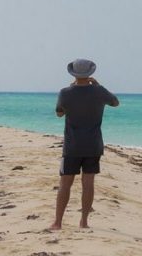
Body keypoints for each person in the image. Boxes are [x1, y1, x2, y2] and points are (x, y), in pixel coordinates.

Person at [49, 58, 119, 230]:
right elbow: (115, 102)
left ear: (73, 74)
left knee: (65, 184)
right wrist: (98, 86)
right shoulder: (99, 91)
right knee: (88, 184)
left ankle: (58, 222)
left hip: (72, 146)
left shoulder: (65, 92)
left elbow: (59, 113)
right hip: (93, 145)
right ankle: (84, 222)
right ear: (90, 73)